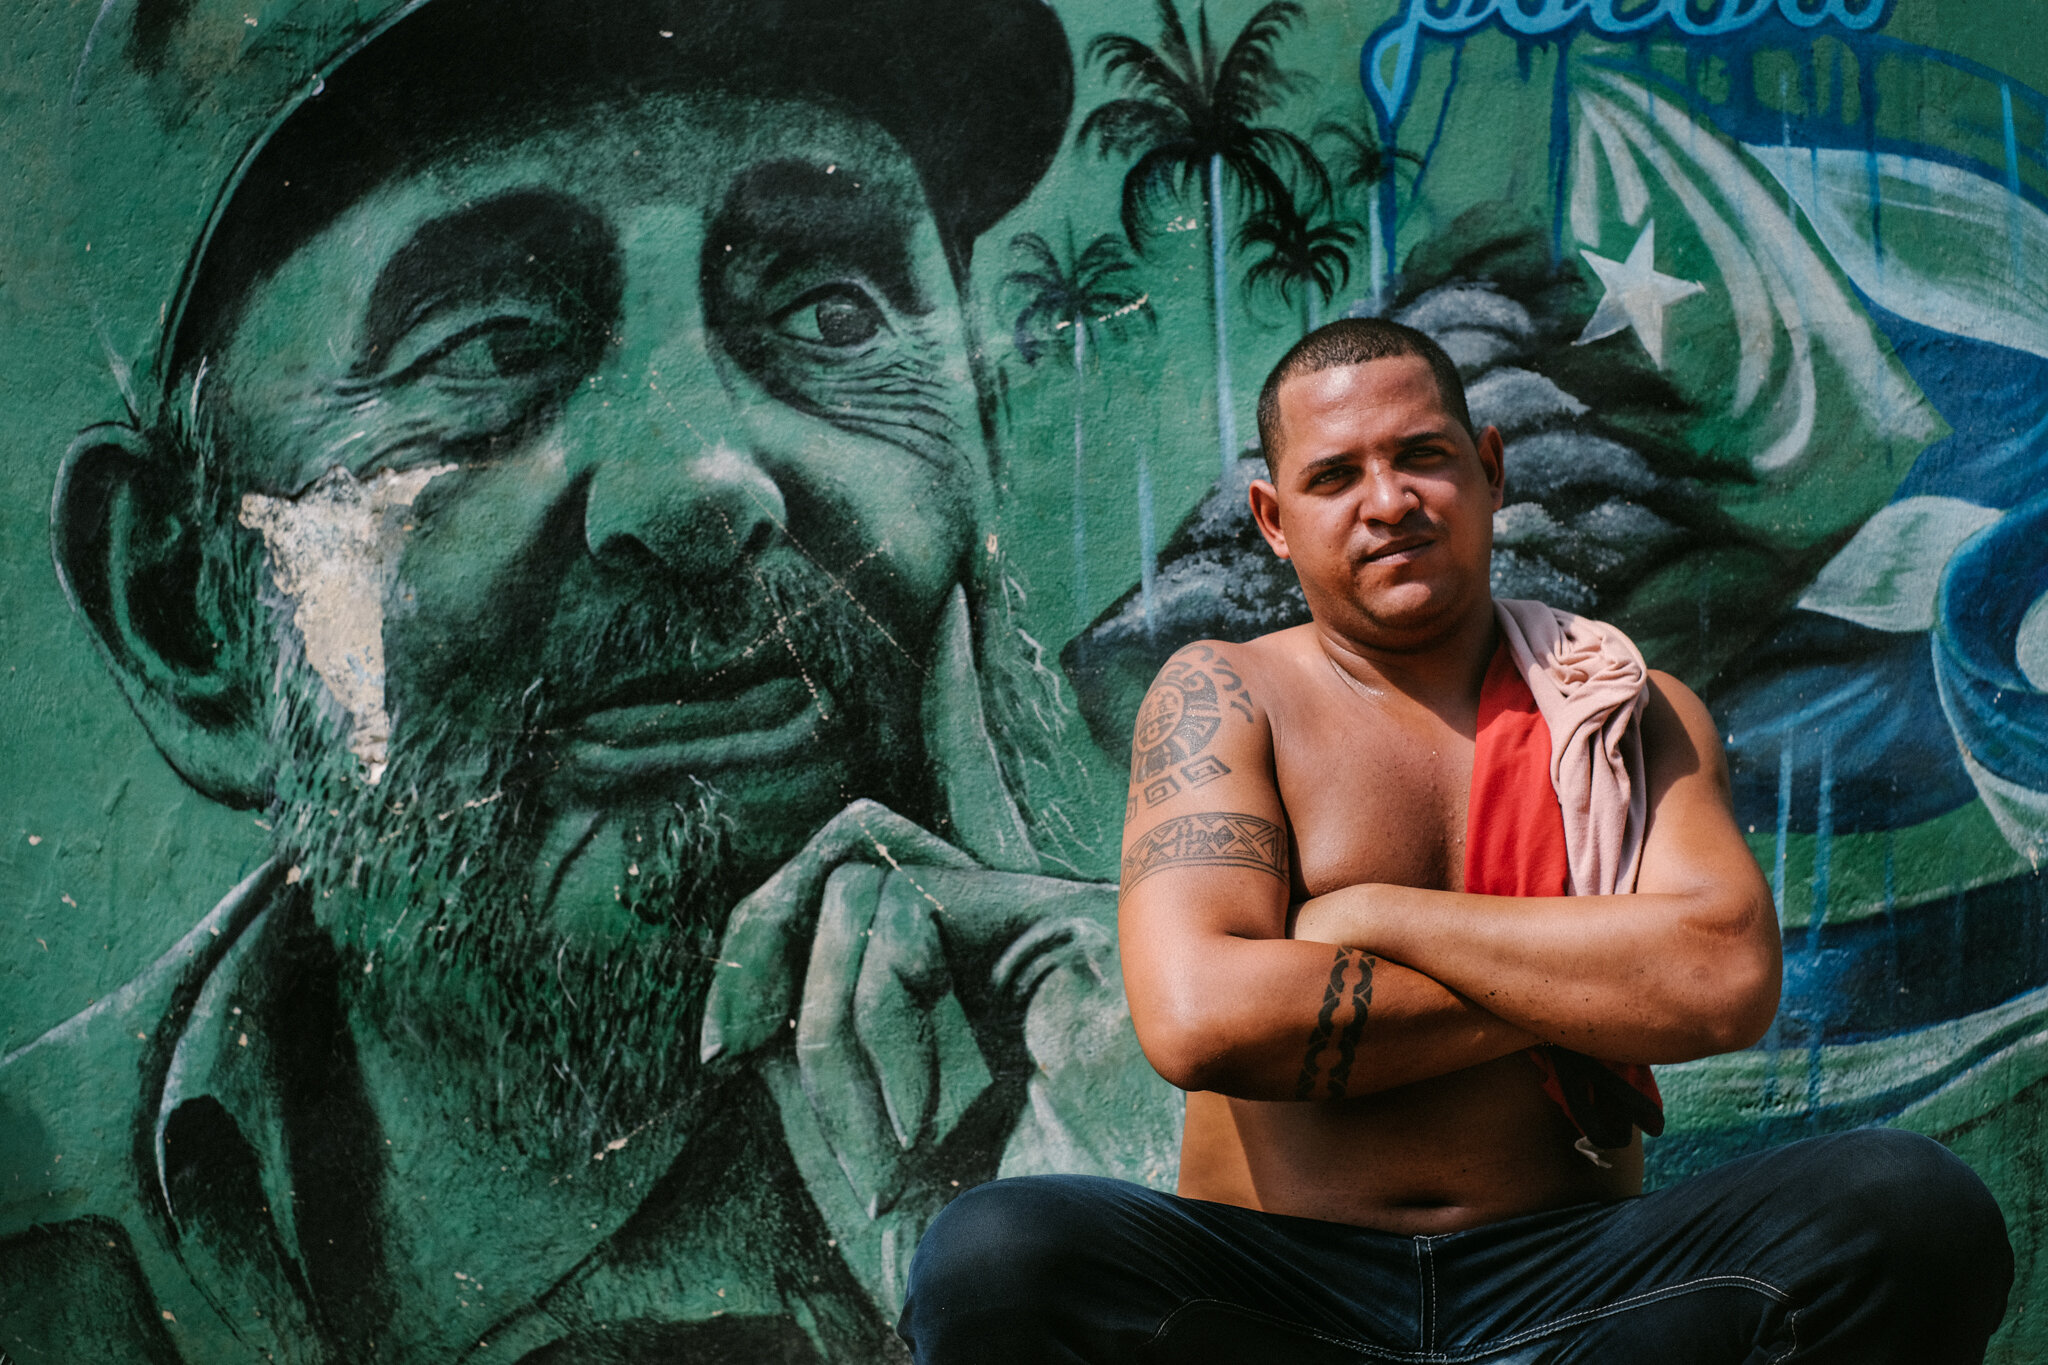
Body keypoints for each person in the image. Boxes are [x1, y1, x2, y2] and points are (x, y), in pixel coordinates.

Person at [0, 0, 1175, 1359]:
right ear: (188, 612)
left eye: (829, 310)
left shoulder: (1252, 1125)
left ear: (983, 454)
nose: (702, 485)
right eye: (488, 345)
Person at [900, 318, 2014, 1363]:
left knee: (1906, 1205)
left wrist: (1373, 917)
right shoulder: (1222, 697)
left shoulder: (1623, 708)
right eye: (1332, 476)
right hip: (1279, 1286)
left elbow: (1719, 982)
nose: (1385, 502)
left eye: (1420, 457)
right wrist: (1600, 975)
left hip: (1575, 1281)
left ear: (1488, 468)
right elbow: (1201, 1019)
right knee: (994, 1257)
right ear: (1272, 518)